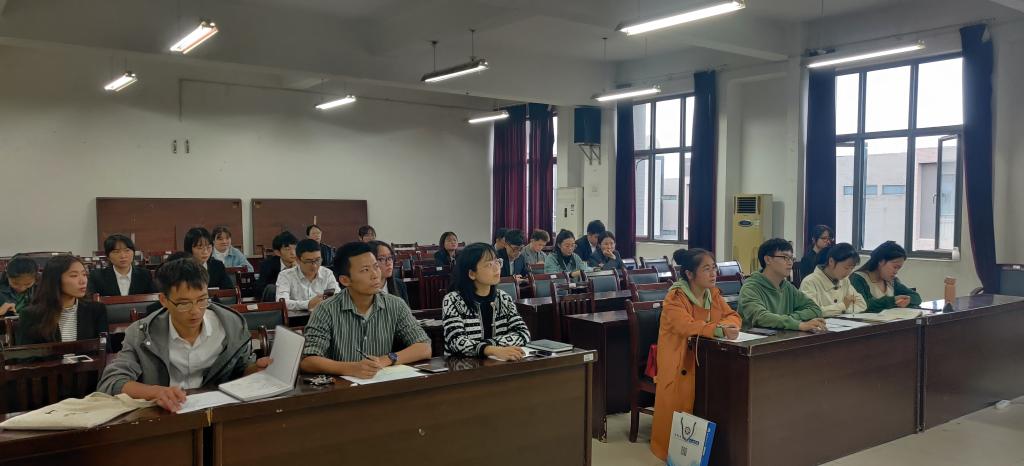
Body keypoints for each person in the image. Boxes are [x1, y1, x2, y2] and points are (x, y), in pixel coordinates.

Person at [97, 258, 271, 412]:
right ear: (164, 300)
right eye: (184, 304)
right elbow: (111, 381)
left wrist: (256, 369)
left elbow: (241, 368)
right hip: (164, 415)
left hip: (217, 412)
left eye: (202, 300)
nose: (195, 311)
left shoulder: (231, 325)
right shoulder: (142, 333)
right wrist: (155, 392)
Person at [650, 248, 741, 461]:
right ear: (690, 274)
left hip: (706, 357)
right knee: (678, 406)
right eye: (706, 269)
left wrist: (726, 326)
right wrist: (718, 329)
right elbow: (685, 326)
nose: (713, 273)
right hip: (679, 360)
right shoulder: (675, 297)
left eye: (714, 268)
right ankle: (671, 453)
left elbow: (733, 315)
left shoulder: (713, 294)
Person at [300, 242, 431, 379]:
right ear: (345, 280)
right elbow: (308, 360)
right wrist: (351, 368)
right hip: (341, 387)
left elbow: (424, 347)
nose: (375, 275)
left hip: (381, 382)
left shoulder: (395, 305)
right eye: (365, 270)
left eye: (376, 267)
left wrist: (385, 360)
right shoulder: (325, 310)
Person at [442, 243, 531, 358]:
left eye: (497, 262)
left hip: (498, 363)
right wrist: (491, 350)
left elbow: (523, 334)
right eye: (489, 264)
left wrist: (490, 347)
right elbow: (456, 341)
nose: (496, 268)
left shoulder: (503, 298)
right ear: (472, 274)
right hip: (462, 365)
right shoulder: (453, 300)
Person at [16, 255, 108, 345]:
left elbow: (105, 350)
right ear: (55, 279)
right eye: (74, 275)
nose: (83, 281)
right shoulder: (30, 315)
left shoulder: (96, 310)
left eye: (84, 274)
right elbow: (25, 354)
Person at [738, 238, 826, 331]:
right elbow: (761, 317)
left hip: (784, 336)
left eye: (791, 258)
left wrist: (790, 318)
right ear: (768, 259)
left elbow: (815, 309)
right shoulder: (750, 288)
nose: (790, 262)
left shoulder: (787, 287)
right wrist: (797, 324)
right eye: (785, 257)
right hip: (758, 338)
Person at [850, 241, 922, 312]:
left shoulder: (891, 281)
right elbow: (861, 305)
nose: (896, 272)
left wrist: (909, 300)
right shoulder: (858, 279)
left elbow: (916, 297)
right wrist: (892, 300)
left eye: (898, 268)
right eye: (895, 267)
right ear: (881, 261)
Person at [799, 243, 868, 316]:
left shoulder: (844, 280)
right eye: (846, 268)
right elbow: (811, 311)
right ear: (831, 261)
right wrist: (843, 306)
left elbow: (862, 304)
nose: (849, 272)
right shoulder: (810, 282)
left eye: (852, 268)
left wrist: (840, 309)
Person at [275, 239, 340, 312]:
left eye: (318, 260)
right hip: (296, 318)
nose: (314, 266)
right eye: (309, 261)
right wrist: (308, 304)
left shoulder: (327, 273)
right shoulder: (285, 275)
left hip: (323, 316)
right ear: (298, 260)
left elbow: (337, 296)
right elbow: (281, 302)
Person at [89, 234, 157, 297]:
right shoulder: (97, 277)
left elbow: (153, 300)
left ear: (133, 253)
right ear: (108, 256)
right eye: (116, 252)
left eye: (127, 250)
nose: (123, 256)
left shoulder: (145, 275)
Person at [256, 231, 298, 298]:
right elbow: (260, 290)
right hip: (276, 300)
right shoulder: (267, 265)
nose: (293, 253)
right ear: (278, 252)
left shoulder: (303, 263)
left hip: (298, 301)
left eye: (295, 248)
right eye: (288, 249)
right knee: (272, 288)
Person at [369, 240, 410, 305]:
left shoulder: (399, 285)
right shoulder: (362, 289)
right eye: (382, 259)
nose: (388, 263)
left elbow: (406, 310)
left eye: (390, 258)